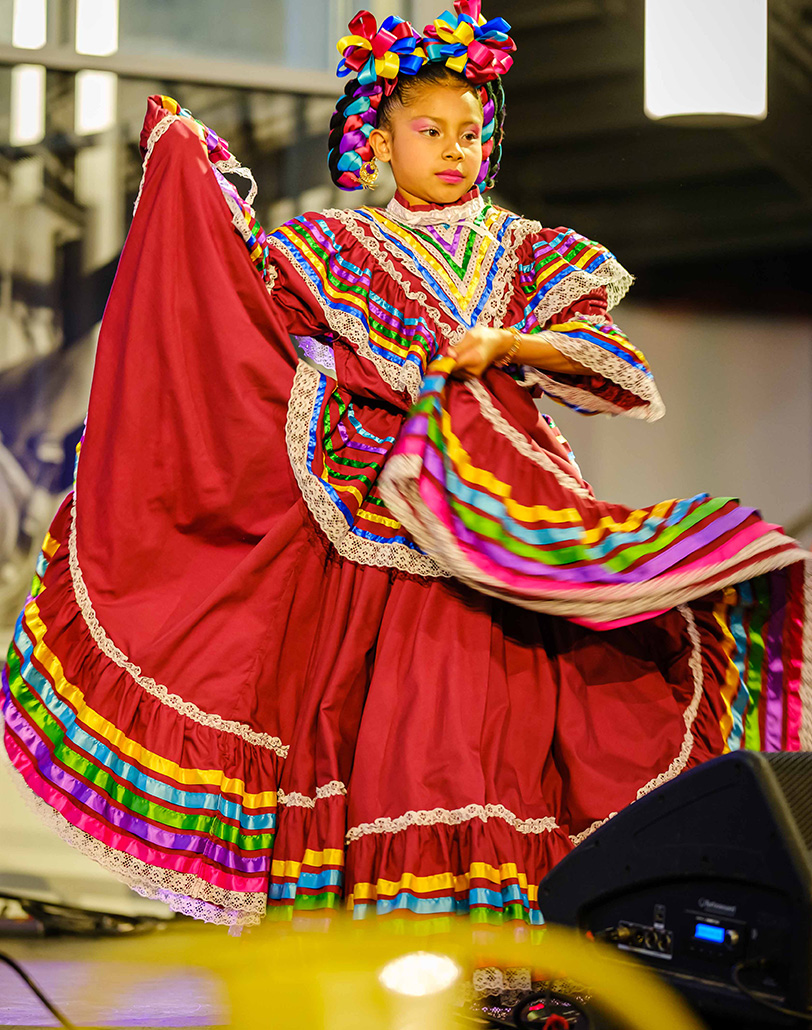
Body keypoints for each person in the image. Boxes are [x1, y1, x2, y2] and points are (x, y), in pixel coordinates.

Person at [2, 2, 809, 933]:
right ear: (377, 142)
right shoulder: (329, 249)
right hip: (372, 530)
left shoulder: (525, 250)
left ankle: (507, 968)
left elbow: (610, 363)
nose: (457, 149)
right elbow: (237, 324)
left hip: (504, 528)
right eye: (430, 130)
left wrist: (507, 343)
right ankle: (376, 969)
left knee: (494, 741)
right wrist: (199, 179)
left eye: (473, 132)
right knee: (379, 740)